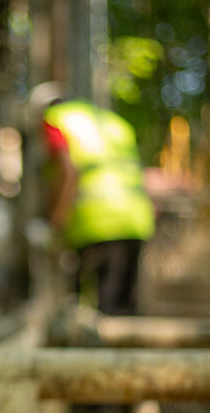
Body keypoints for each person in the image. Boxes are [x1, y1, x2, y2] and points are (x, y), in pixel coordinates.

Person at [35, 83, 155, 315]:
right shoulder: (113, 123)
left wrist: (54, 223)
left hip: (97, 225)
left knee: (99, 311)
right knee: (125, 309)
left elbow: (68, 172)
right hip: (136, 221)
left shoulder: (55, 120)